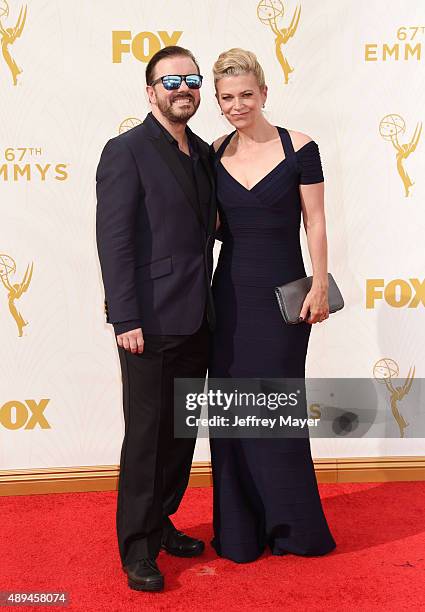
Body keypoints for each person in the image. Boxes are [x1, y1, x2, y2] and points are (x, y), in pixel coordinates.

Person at [96, 46, 216, 592]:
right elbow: (115, 242)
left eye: (191, 79)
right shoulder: (125, 151)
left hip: (198, 319)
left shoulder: (206, 156)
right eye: (171, 81)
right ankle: (137, 548)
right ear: (151, 92)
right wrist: (125, 316)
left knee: (181, 434)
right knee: (146, 437)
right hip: (147, 322)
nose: (182, 88)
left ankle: (162, 521)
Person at [209, 48, 336, 563]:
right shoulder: (213, 152)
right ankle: (240, 532)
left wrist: (320, 285)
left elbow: (316, 221)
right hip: (229, 295)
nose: (237, 104)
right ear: (218, 103)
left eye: (245, 94)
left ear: (264, 92)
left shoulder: (300, 147)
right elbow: (212, 225)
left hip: (285, 296)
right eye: (226, 98)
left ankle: (293, 526)